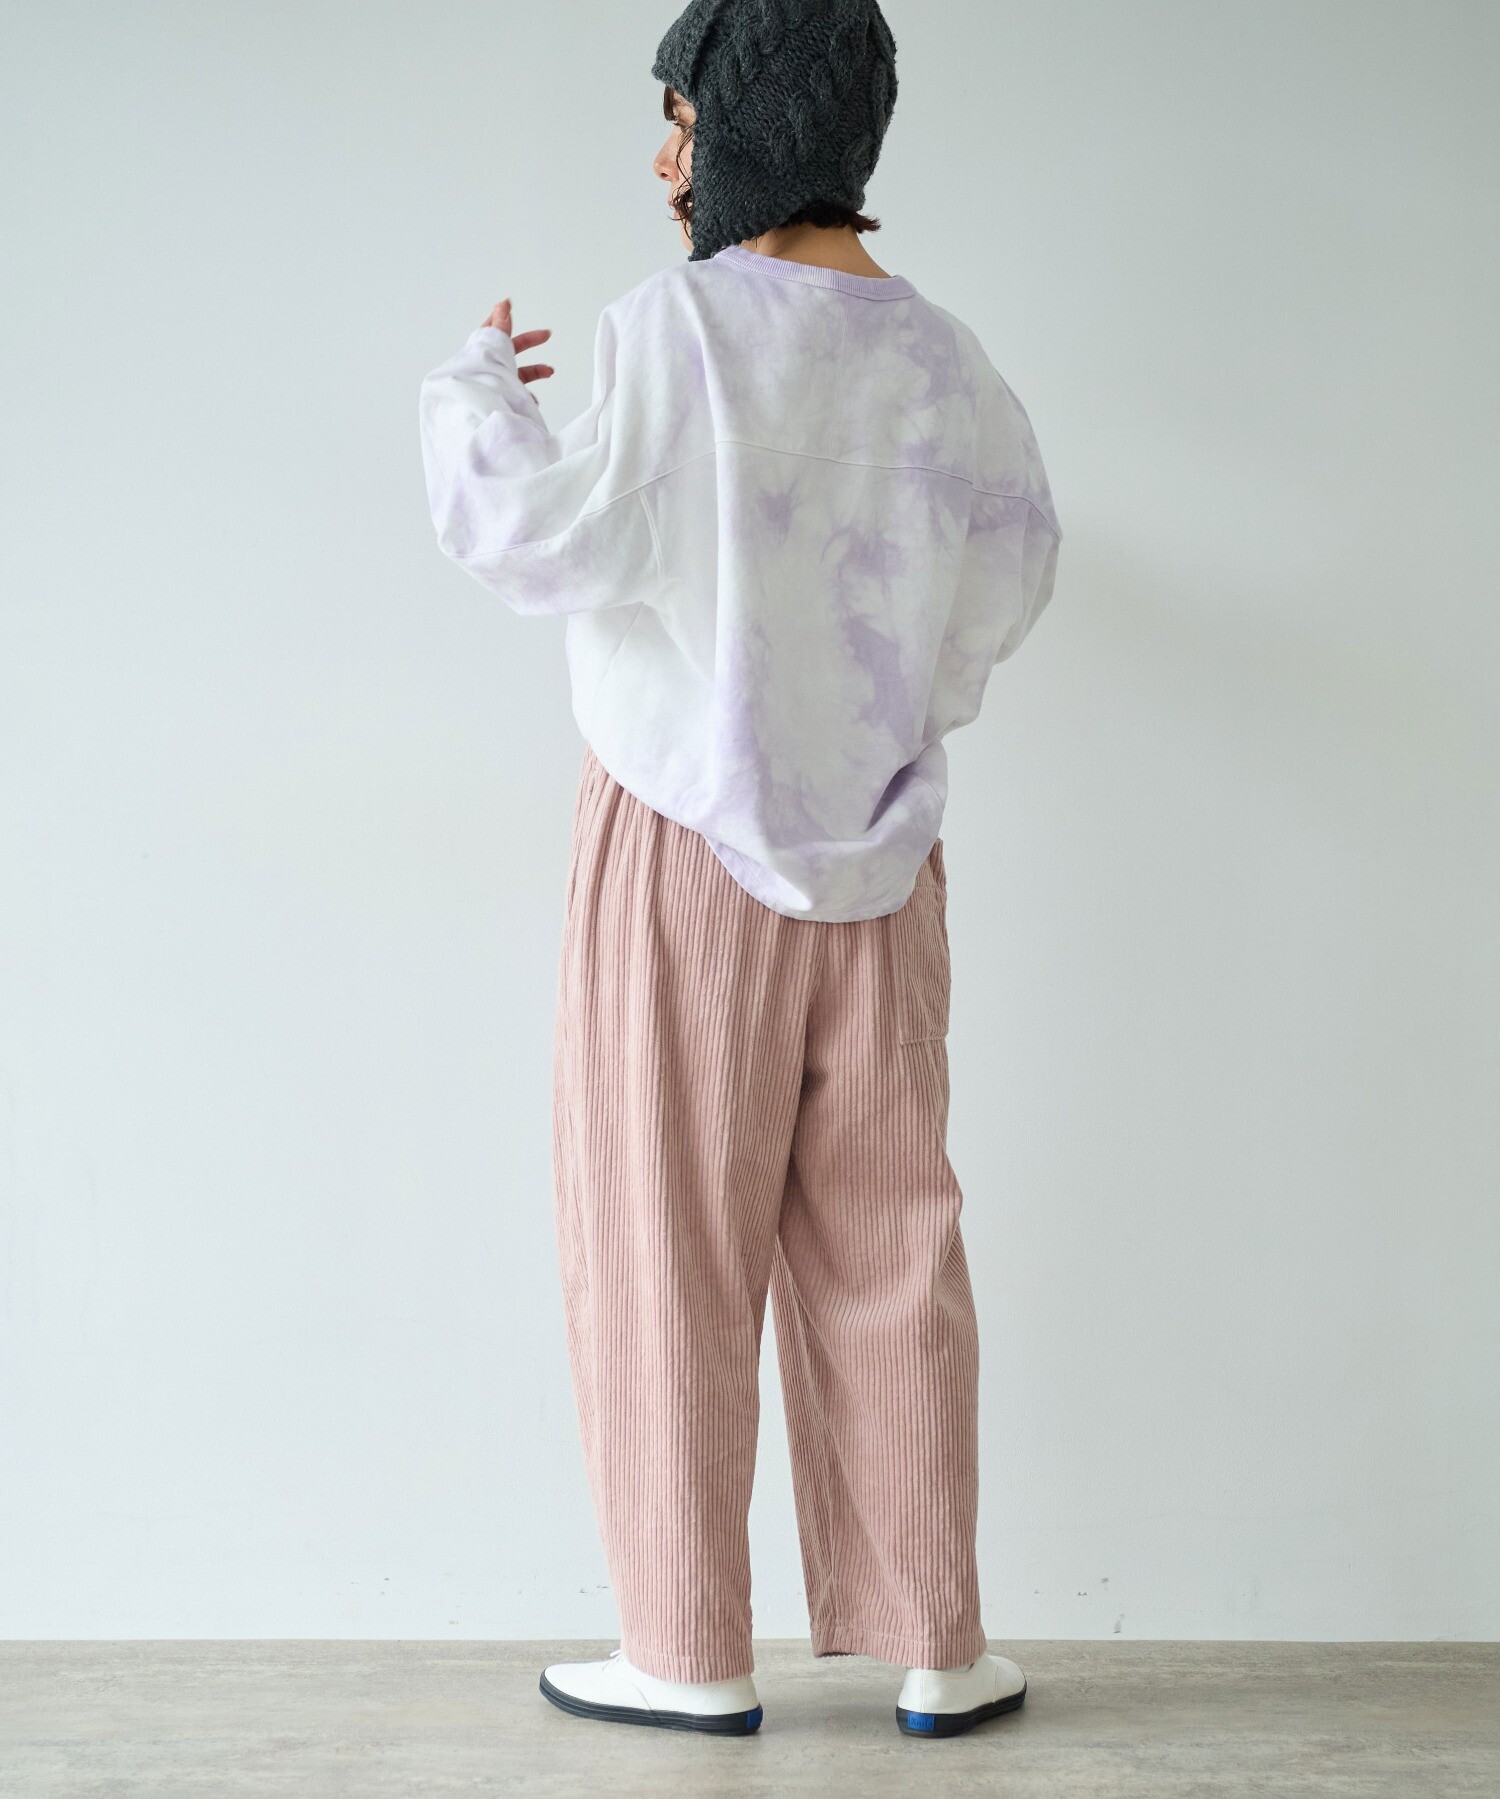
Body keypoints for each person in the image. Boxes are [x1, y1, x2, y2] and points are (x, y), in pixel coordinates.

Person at [418, 0, 1060, 1741]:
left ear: (753, 126)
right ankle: (940, 1645)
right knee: (894, 1244)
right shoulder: (951, 362)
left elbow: (540, 536)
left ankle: (688, 1652)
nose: (665, 161)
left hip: (683, 842)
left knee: (664, 1242)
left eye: (685, 122)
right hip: (884, 856)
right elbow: (1014, 572)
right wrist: (886, 700)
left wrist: (471, 392)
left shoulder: (676, 330)